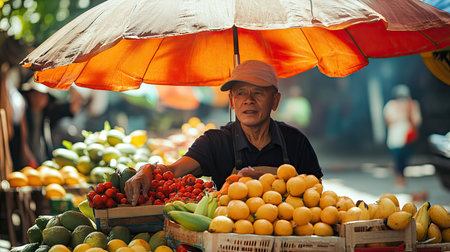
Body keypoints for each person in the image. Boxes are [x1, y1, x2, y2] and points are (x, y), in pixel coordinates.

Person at [125, 60, 323, 206]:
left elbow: (317, 192)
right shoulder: (215, 142)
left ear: (275, 101)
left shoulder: (295, 141)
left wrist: (269, 179)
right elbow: (174, 171)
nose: (248, 100)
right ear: (231, 101)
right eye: (240, 93)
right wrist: (147, 169)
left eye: (258, 93)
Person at [383, 84, 422, 189]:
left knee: (405, 159)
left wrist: (408, 110)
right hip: (395, 138)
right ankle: (398, 179)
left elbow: (416, 121)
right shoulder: (390, 105)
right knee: (397, 159)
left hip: (407, 137)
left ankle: (402, 178)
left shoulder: (412, 105)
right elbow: (388, 121)